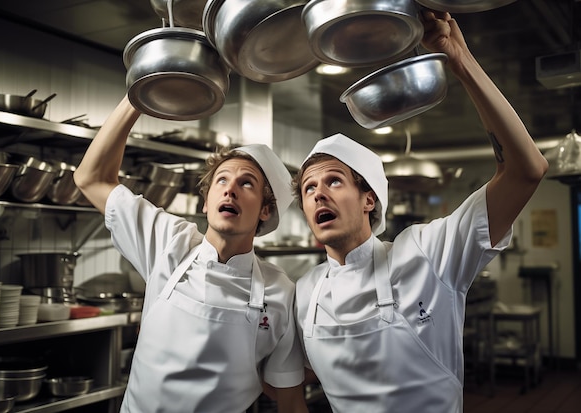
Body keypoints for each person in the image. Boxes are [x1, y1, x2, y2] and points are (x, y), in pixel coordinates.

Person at [291, 9, 549, 413]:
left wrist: (459, 58)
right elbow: (291, 377)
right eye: (308, 188)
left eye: (334, 180)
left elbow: (526, 169)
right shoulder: (305, 292)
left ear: (368, 198)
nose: (318, 194)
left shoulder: (426, 252)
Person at [74, 96, 309, 413]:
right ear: (205, 202)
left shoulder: (280, 292)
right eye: (222, 180)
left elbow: (290, 403)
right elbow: (91, 179)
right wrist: (137, 98)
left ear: (266, 210)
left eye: (246, 183)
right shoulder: (170, 241)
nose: (230, 189)